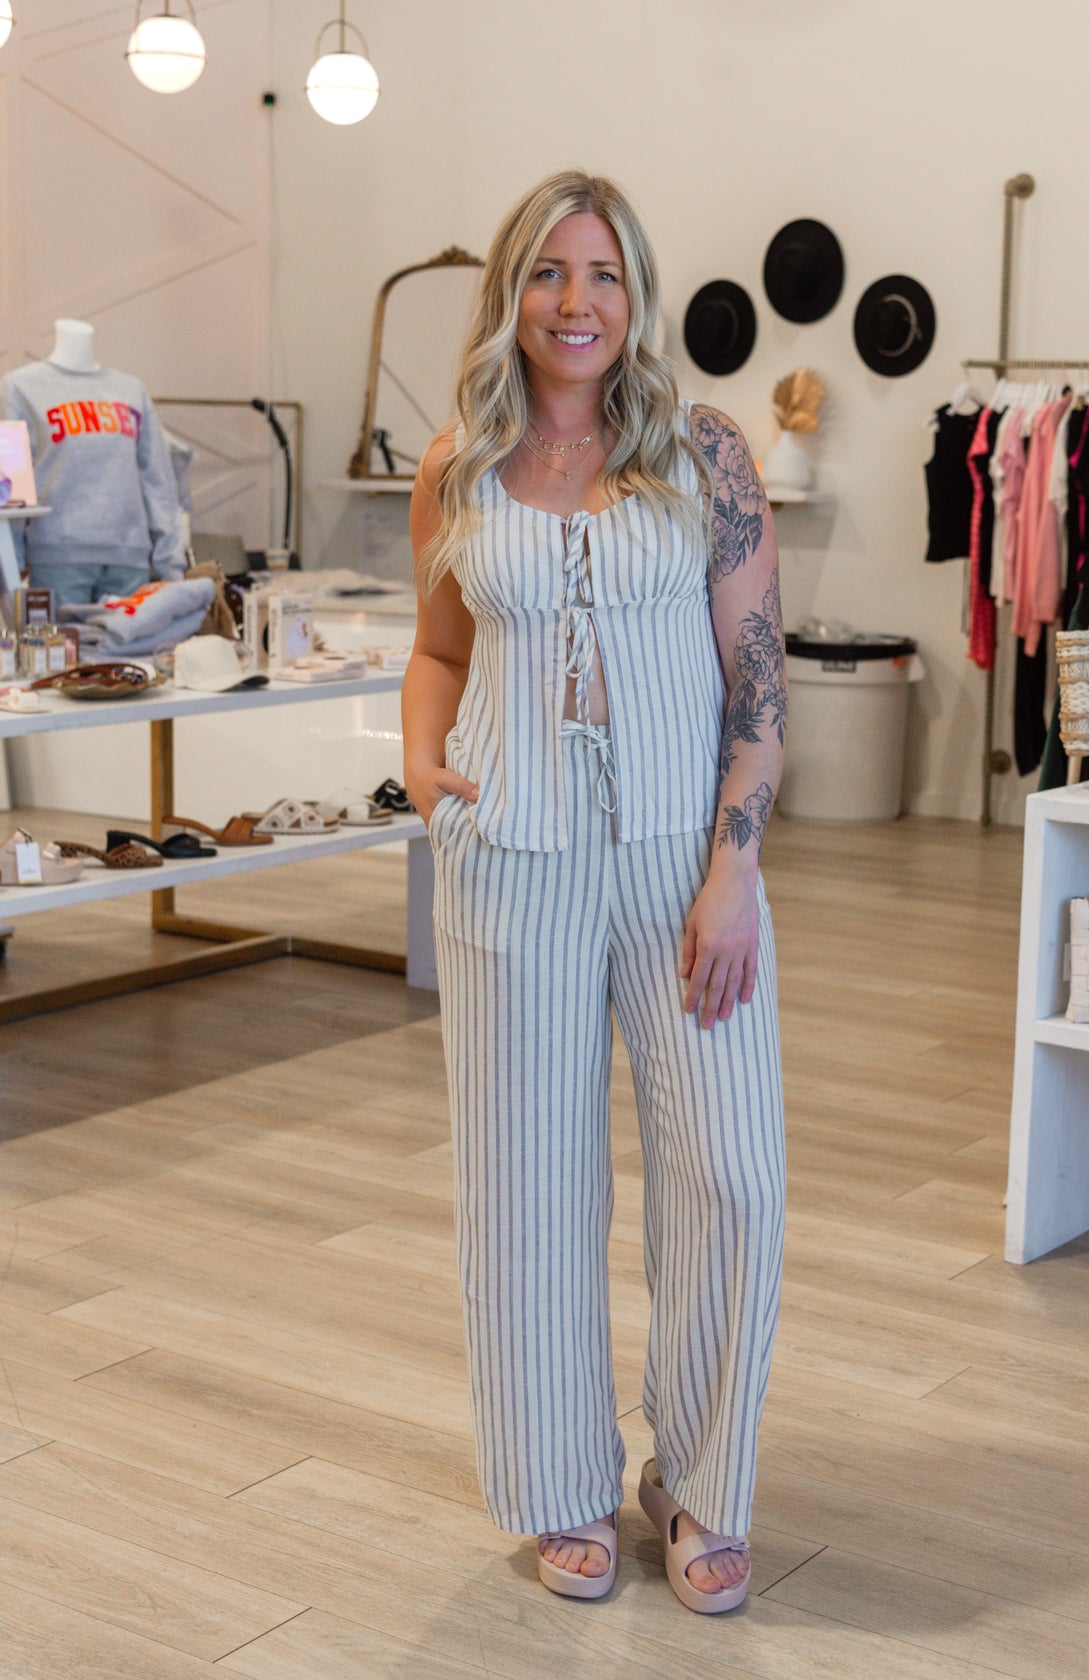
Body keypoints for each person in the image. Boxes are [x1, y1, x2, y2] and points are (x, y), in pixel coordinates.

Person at [401, 169, 786, 1616]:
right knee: (526, 1183)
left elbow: (759, 684)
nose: (577, 303)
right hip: (510, 859)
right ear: (513, 296)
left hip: (685, 864)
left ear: (637, 294)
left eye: (603, 274)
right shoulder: (460, 462)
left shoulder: (704, 453)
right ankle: (560, 1477)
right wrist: (425, 767)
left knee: (730, 1173)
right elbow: (441, 649)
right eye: (550, 275)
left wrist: (733, 871)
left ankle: (700, 1481)